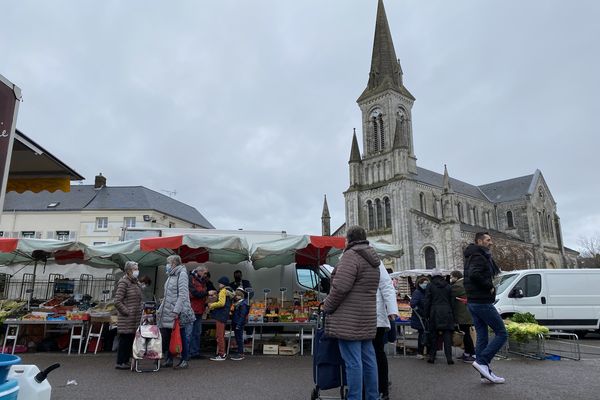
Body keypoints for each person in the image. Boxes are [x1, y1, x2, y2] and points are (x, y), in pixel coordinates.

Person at [323, 225, 381, 400]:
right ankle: (372, 396)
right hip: (366, 315)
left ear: (349, 239)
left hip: (349, 318)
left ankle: (354, 397)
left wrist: (327, 306)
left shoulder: (351, 255)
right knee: (369, 360)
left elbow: (341, 287)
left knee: (353, 363)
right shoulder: (372, 259)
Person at [464, 232, 507, 384]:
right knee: (502, 333)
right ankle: (482, 361)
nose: (491, 242)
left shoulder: (473, 255)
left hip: (474, 301)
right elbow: (474, 275)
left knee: (482, 336)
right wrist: (489, 286)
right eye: (488, 240)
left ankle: (484, 372)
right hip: (481, 301)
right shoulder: (478, 256)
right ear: (479, 241)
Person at [157, 255, 196, 370]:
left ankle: (184, 360)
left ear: (174, 263)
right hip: (169, 310)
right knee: (169, 335)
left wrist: (176, 310)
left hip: (178, 312)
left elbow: (183, 294)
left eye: (168, 263)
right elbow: (167, 295)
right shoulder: (171, 275)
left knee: (181, 335)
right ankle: (169, 359)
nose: (167, 265)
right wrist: (161, 309)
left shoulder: (182, 274)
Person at [373, 263, 399, 400]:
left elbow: (386, 286)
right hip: (366, 315)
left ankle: (382, 388)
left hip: (375, 316)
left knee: (377, 352)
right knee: (373, 353)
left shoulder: (376, 262)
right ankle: (376, 387)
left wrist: (392, 310)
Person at [114, 261, 143, 369]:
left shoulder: (135, 282)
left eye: (137, 268)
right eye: (135, 269)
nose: (137, 271)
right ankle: (120, 362)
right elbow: (117, 301)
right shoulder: (124, 282)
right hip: (127, 318)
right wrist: (127, 312)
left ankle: (125, 361)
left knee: (130, 340)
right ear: (128, 270)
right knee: (124, 340)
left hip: (134, 318)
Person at [424, 270, 455, 364]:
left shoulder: (430, 286)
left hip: (434, 312)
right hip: (447, 312)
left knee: (433, 335)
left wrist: (426, 314)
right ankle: (449, 358)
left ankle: (432, 357)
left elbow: (427, 301)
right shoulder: (448, 286)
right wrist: (452, 313)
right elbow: (452, 301)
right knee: (447, 335)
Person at [450, 270, 475, 363]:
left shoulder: (458, 286)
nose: (451, 279)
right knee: (466, 333)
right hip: (466, 313)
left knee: (465, 334)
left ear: (456, 277)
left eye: (451, 277)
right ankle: (467, 353)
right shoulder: (465, 283)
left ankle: (471, 353)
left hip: (462, 315)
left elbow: (450, 292)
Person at [189, 266, 213, 359]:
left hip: (199, 309)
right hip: (193, 309)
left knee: (197, 332)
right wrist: (207, 293)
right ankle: (188, 353)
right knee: (190, 332)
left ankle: (195, 352)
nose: (205, 275)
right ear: (199, 271)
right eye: (205, 273)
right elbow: (195, 293)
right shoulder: (191, 279)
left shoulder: (201, 281)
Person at [209, 276, 235, 361]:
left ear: (223, 284)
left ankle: (221, 354)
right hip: (224, 315)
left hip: (220, 315)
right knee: (221, 335)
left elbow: (221, 303)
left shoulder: (223, 291)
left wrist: (211, 305)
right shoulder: (228, 291)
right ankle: (222, 353)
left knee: (219, 335)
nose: (219, 284)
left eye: (220, 283)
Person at [410, 276, 430, 359]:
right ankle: (420, 352)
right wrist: (420, 312)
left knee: (427, 334)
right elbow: (413, 304)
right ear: (420, 284)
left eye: (427, 283)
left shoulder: (428, 292)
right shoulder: (417, 292)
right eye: (424, 283)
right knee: (422, 334)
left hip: (427, 317)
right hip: (420, 318)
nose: (425, 285)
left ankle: (427, 351)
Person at [230, 287, 250, 361]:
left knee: (239, 338)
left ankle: (241, 354)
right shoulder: (238, 303)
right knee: (238, 338)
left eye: (237, 295)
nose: (236, 296)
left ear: (241, 296)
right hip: (236, 323)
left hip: (239, 323)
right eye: (236, 295)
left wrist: (238, 325)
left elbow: (242, 316)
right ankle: (239, 352)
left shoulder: (243, 304)